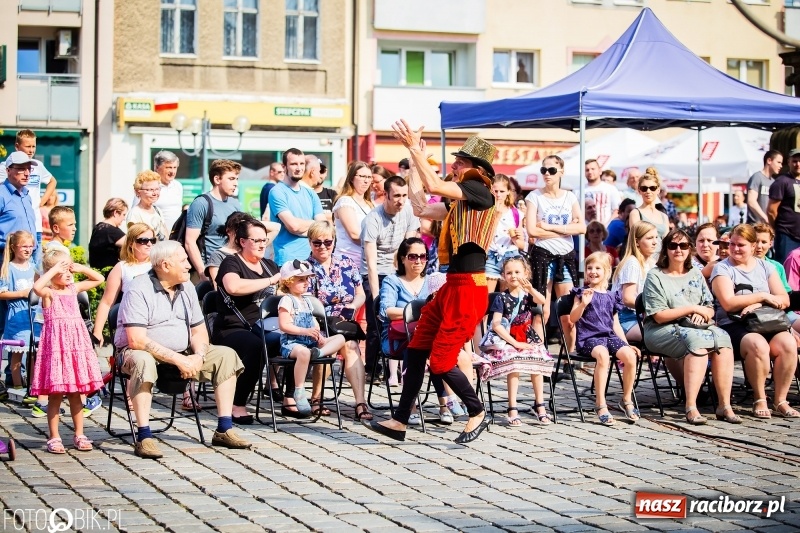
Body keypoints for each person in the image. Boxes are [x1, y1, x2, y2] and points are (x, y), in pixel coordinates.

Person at [368, 124, 499, 444]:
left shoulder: (481, 191)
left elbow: (434, 183)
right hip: (452, 287)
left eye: (460, 162)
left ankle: (476, 410)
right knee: (416, 351)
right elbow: (421, 205)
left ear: (477, 169)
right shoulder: (461, 201)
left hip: (469, 289)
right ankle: (400, 421)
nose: (454, 165)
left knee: (441, 361)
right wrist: (414, 162)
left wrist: (416, 149)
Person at [116, 241, 251, 459]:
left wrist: (198, 356)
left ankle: (224, 429)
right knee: (143, 360)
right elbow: (137, 340)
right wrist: (179, 360)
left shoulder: (187, 287)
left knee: (226, 355)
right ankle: (144, 436)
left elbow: (199, 332)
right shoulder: (138, 288)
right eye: (183, 260)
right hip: (137, 354)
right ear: (165, 265)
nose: (189, 265)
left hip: (185, 353)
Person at [643, 229, 737, 425]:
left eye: (683, 246)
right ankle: (691, 406)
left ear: (689, 249)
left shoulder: (695, 273)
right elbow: (658, 316)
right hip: (661, 329)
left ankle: (724, 405)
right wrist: (692, 308)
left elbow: (710, 307)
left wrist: (704, 313)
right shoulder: (655, 276)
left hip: (696, 326)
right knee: (697, 344)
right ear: (666, 250)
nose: (678, 250)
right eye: (673, 246)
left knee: (724, 339)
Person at [710, 224, 798, 419]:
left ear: (752, 246)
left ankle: (781, 400)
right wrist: (762, 296)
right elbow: (729, 303)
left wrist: (759, 303)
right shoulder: (722, 268)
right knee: (757, 344)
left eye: (740, 245)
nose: (734, 249)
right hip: (734, 324)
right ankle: (760, 397)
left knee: (788, 343)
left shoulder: (766, 266)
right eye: (732, 244)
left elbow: (784, 299)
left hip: (767, 321)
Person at [30, 249, 105, 453]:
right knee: (55, 395)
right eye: (63, 270)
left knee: (76, 393)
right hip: (56, 349)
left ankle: (79, 433)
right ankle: (54, 436)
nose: (68, 273)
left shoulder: (74, 289)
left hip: (75, 348)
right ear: (52, 273)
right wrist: (54, 268)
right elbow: (37, 287)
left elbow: (99, 279)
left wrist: (79, 268)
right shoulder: (48, 293)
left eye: (68, 268)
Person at [213, 217, 286, 422]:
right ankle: (237, 404)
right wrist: (270, 281)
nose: (262, 244)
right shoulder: (231, 262)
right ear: (243, 241)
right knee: (256, 346)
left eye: (264, 240)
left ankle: (290, 398)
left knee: (295, 338)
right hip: (233, 328)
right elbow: (233, 287)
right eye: (256, 240)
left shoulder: (270, 265)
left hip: (265, 326)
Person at [306, 221, 371, 421]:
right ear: (310, 243)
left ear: (334, 241)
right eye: (317, 243)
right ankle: (316, 398)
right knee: (329, 344)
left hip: (344, 320)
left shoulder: (346, 263)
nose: (323, 246)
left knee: (351, 345)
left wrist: (353, 306)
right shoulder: (305, 268)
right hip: (317, 322)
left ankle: (360, 403)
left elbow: (360, 293)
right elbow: (305, 302)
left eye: (328, 241)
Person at [478, 256, 553, 427]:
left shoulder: (527, 295)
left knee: (538, 358)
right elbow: (496, 325)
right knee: (515, 362)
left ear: (526, 273)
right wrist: (516, 343)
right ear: (503, 275)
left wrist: (531, 289)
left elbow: (542, 302)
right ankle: (512, 407)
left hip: (526, 336)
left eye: (517, 272)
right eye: (509, 272)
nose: (513, 276)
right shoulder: (501, 298)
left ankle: (539, 405)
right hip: (507, 339)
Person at [570, 252, 640, 425]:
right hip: (589, 338)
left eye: (597, 268)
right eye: (589, 268)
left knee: (630, 356)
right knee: (602, 355)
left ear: (607, 272)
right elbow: (572, 318)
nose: (593, 271)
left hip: (608, 336)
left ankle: (626, 399)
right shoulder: (582, 293)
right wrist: (584, 304)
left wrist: (625, 344)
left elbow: (615, 324)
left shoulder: (612, 296)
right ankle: (601, 403)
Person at [361, 175, 420, 379]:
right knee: (376, 319)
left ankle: (401, 364)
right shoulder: (373, 219)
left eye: (404, 195)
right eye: (396, 196)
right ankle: (371, 367)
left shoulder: (409, 210)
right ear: (385, 194)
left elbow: (410, 246)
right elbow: (370, 262)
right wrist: (377, 296)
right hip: (375, 270)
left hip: (397, 268)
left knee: (405, 315)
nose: (401, 200)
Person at [526, 155, 584, 349]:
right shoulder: (534, 196)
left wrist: (548, 227)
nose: (547, 174)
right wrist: (567, 229)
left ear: (561, 172)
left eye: (551, 170)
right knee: (541, 310)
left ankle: (569, 358)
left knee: (568, 313)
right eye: (544, 170)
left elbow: (582, 227)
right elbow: (532, 231)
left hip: (566, 256)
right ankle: (537, 357)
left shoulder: (570, 196)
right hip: (543, 255)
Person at [277, 260, 346, 414]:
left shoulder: (307, 301)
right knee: (304, 353)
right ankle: (299, 391)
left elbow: (314, 323)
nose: (305, 282)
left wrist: (318, 335)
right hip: (292, 343)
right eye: (301, 279)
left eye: (307, 279)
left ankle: (319, 353)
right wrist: (305, 331)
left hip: (309, 342)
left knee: (340, 339)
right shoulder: (287, 300)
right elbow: (284, 325)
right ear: (288, 282)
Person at [92, 223, 155, 347]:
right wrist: (98, 331)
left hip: (157, 323)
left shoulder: (159, 264)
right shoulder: (122, 267)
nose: (149, 244)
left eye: (152, 240)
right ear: (131, 243)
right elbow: (106, 302)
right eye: (143, 240)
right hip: (133, 323)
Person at [0, 131, 57, 262]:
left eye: (33, 146)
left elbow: (53, 181)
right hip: (12, 238)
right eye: (28, 146)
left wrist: (40, 202)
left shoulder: (27, 193)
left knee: (33, 271)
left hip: (33, 226)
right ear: (17, 146)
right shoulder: (4, 168)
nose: (31, 150)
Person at [185, 159, 243, 282]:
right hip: (208, 269)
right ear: (217, 179)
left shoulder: (235, 204)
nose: (236, 183)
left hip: (231, 269)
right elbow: (190, 242)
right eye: (231, 179)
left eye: (237, 179)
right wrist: (202, 273)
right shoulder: (201, 203)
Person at [0, 231, 40, 400]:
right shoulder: (9, 268)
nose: (28, 249)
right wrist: (22, 293)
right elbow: (2, 293)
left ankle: (31, 385)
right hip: (18, 316)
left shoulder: (33, 267)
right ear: (14, 247)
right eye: (24, 246)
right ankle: (17, 386)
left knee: (33, 352)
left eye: (31, 246)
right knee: (18, 352)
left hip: (33, 316)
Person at [269, 148, 326, 266]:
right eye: (294, 164)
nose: (299, 168)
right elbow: (293, 226)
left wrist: (305, 226)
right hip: (288, 260)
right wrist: (313, 224)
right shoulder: (277, 192)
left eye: (302, 164)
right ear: (284, 167)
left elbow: (323, 227)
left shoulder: (311, 193)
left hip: (313, 258)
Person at [611, 222, 659, 343]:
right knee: (663, 336)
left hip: (644, 316)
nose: (655, 242)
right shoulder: (632, 263)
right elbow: (627, 299)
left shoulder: (652, 263)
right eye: (649, 238)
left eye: (656, 237)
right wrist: (652, 309)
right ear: (637, 242)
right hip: (624, 319)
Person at [485, 174, 526, 293]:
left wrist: (515, 238)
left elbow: (522, 245)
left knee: (509, 296)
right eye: (495, 191)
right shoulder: (486, 211)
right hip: (491, 255)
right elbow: (484, 238)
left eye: (502, 191)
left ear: (508, 191)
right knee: (488, 296)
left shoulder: (515, 213)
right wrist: (496, 217)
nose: (498, 194)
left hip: (511, 255)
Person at [332, 161, 374, 266]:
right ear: (351, 178)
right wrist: (381, 242)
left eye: (369, 177)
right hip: (347, 261)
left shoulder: (369, 204)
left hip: (367, 261)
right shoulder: (345, 201)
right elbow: (354, 234)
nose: (366, 181)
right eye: (362, 176)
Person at [0, 152, 39, 260]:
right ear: (8, 170)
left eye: (29, 169)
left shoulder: (27, 196)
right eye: (21, 169)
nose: (27, 173)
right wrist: (9, 246)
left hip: (29, 259)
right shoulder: (2, 194)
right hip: (6, 258)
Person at [131, 151, 183, 231]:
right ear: (157, 167)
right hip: (155, 238)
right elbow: (136, 213)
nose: (172, 172)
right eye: (168, 167)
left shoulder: (178, 186)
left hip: (176, 237)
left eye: (175, 167)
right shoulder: (147, 187)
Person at [768, 148, 800, 264]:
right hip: (786, 234)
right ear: (789, 162)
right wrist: (776, 230)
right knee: (784, 269)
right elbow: (771, 210)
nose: (798, 164)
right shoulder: (782, 181)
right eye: (795, 161)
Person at [628, 168, 669, 243]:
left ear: (658, 190)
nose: (648, 191)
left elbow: (667, 243)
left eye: (652, 188)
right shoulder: (636, 214)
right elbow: (635, 242)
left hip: (661, 254)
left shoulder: (664, 217)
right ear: (639, 190)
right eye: (644, 188)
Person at [126, 170, 168, 241]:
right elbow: (136, 241)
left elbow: (165, 234)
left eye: (157, 189)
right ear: (138, 192)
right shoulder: (135, 214)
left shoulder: (157, 210)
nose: (155, 193)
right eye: (150, 190)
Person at [89, 198, 128, 271]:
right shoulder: (111, 231)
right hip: (109, 275)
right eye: (123, 215)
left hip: (98, 272)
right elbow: (134, 245)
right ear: (116, 213)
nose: (124, 219)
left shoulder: (98, 227)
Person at [747, 149, 782, 224]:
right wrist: (765, 217)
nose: (781, 166)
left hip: (768, 226)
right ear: (769, 160)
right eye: (778, 162)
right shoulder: (757, 177)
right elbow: (751, 201)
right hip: (755, 225)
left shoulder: (774, 182)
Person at [584, 159, 621, 226]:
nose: (590, 172)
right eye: (587, 170)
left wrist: (607, 226)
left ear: (600, 171)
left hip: (607, 231)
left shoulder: (610, 188)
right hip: (586, 232)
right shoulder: (578, 190)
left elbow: (617, 211)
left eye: (593, 169)